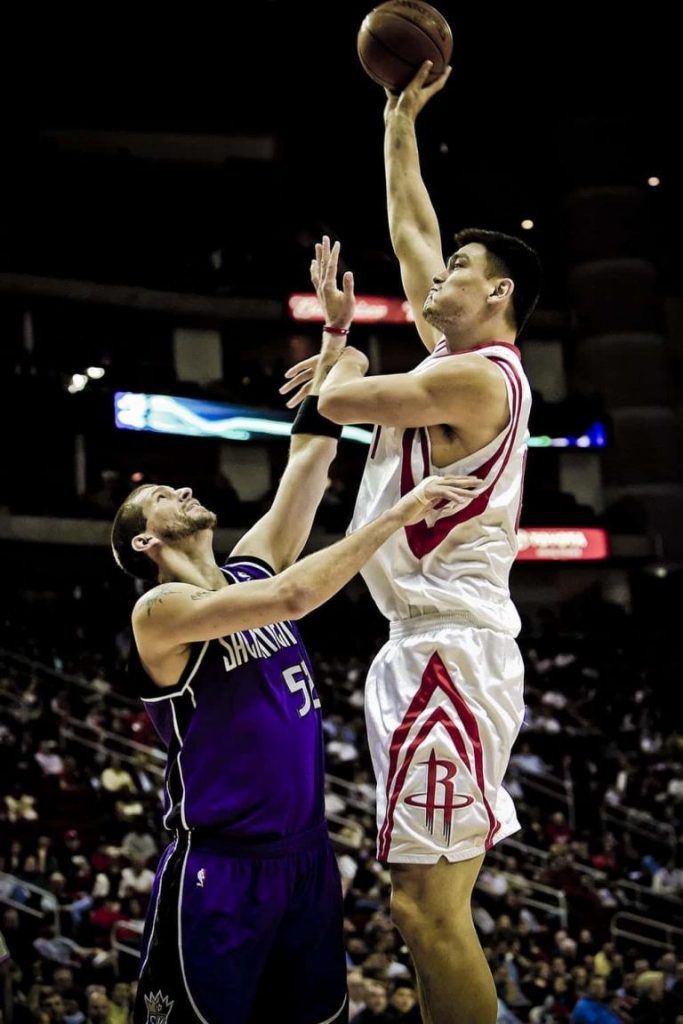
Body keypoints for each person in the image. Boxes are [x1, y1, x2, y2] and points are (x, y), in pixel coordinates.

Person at [111, 303, 480, 1024]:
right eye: (160, 497)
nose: (181, 490)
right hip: (221, 868)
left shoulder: (248, 568)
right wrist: (395, 515)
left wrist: (335, 342)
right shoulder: (159, 614)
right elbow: (294, 598)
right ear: (145, 546)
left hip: (305, 859)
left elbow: (309, 460)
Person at [281, 59, 541, 1024]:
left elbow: (337, 397)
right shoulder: (457, 355)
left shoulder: (478, 380)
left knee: (429, 913)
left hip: (450, 647)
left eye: (458, 275)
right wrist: (398, 121)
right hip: (420, 642)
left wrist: (340, 339)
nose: (437, 278)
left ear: (498, 292)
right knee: (415, 911)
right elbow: (410, 227)